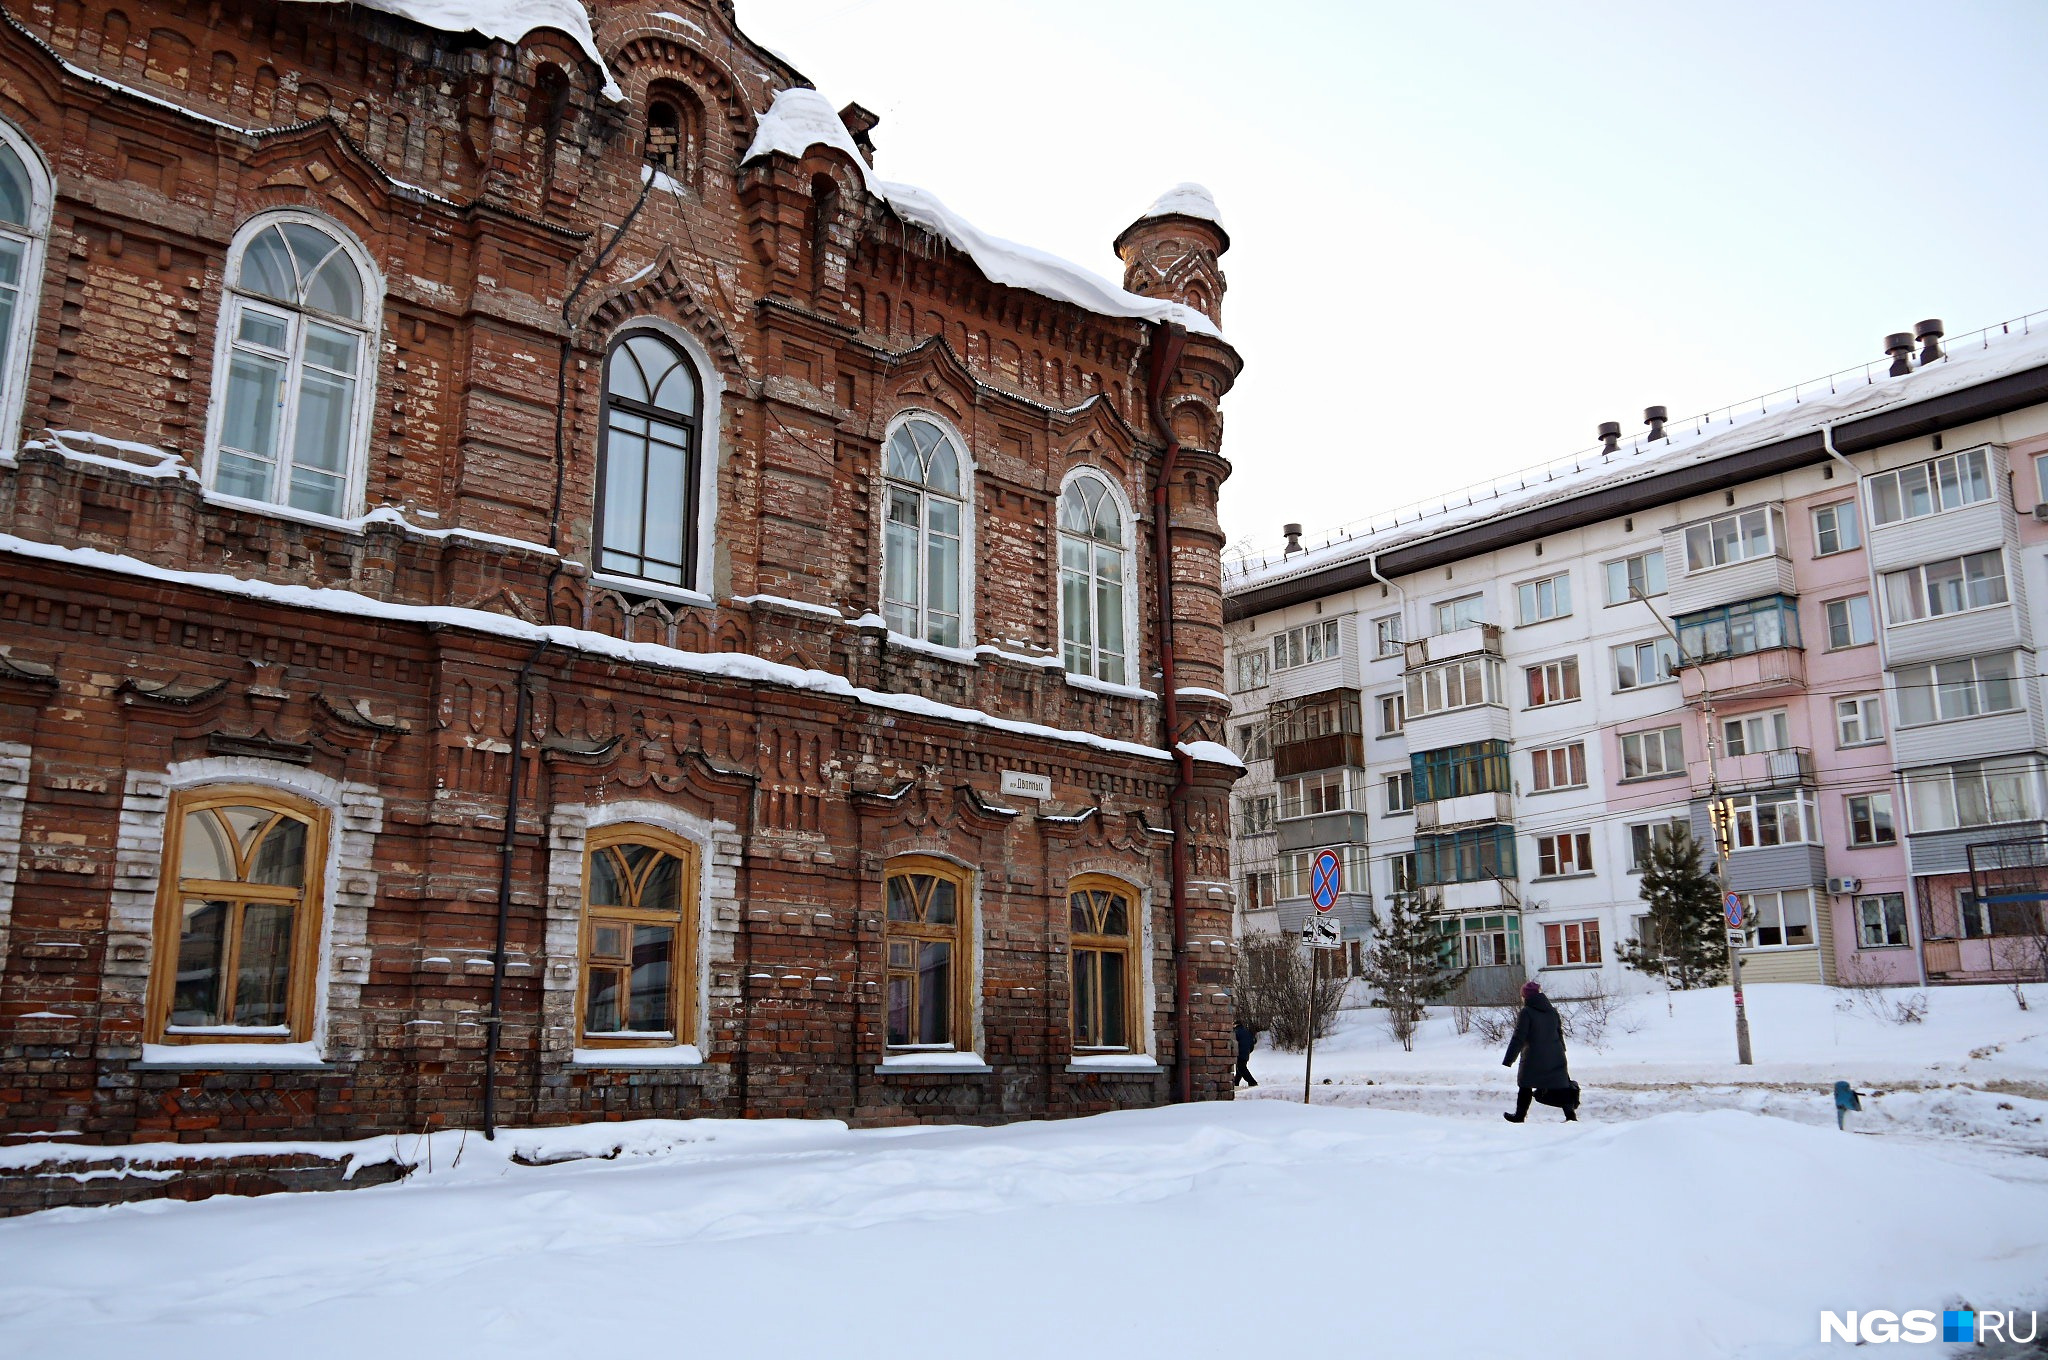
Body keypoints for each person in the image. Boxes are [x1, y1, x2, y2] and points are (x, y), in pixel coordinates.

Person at [1502, 980, 1578, 1122]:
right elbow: (1559, 1032)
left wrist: (1509, 1059)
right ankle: (1571, 1116)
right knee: (1561, 1085)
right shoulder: (1552, 1011)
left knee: (1525, 1085)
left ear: (1525, 996)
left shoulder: (1526, 1012)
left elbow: (1519, 1037)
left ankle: (1519, 1116)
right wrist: (1562, 1050)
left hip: (1534, 1057)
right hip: (1556, 1055)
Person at [1233, 1019, 1259, 1088]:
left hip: (1239, 1052)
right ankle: (1235, 1083)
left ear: (1235, 1025)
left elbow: (1233, 1043)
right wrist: (1248, 1051)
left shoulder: (1235, 1032)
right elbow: (1253, 1042)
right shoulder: (1247, 1032)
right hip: (1246, 1053)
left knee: (1241, 1068)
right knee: (1240, 1068)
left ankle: (1252, 1082)